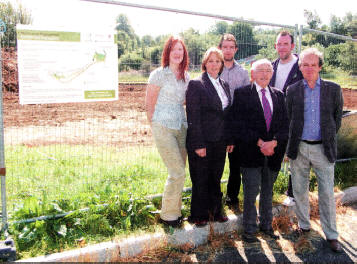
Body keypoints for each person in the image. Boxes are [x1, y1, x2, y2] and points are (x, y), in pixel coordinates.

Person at [286, 48, 343, 253]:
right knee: (300, 189)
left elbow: (336, 120)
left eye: (313, 64)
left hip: (323, 148)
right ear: (300, 67)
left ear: (320, 66)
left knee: (327, 193)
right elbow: (289, 118)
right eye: (305, 65)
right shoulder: (292, 90)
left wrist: (326, 137)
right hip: (299, 147)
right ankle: (304, 225)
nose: (309, 68)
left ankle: (331, 234)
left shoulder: (333, 89)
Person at [229, 59, 288, 243]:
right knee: (250, 191)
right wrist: (260, 142)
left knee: (268, 191)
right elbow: (239, 124)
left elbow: (285, 125)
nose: (264, 74)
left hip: (273, 154)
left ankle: (267, 226)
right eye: (260, 70)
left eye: (268, 70)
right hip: (250, 152)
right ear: (252, 73)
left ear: (272, 74)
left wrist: (274, 143)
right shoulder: (242, 94)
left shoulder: (279, 95)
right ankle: (249, 230)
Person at [186, 47, 234, 227]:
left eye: (218, 61)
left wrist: (229, 139)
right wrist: (198, 143)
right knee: (201, 177)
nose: (214, 65)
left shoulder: (224, 85)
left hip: (220, 140)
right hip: (202, 140)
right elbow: (193, 116)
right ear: (205, 63)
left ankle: (215, 210)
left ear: (222, 64)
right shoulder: (196, 84)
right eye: (211, 61)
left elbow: (227, 115)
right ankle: (199, 214)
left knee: (215, 176)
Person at [145, 36, 189, 227]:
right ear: (167, 53)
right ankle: (168, 217)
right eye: (174, 50)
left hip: (182, 127)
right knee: (177, 171)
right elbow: (149, 105)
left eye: (181, 50)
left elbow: (186, 101)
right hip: (163, 127)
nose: (178, 53)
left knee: (180, 171)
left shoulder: (186, 77)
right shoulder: (158, 75)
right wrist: (154, 127)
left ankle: (175, 211)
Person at [270, 30, 303, 207]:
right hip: (276, 119)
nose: (282, 47)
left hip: (295, 119)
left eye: (285, 44)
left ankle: (292, 193)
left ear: (292, 46)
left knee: (294, 156)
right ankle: (268, 191)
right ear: (275, 46)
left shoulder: (301, 66)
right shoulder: (272, 66)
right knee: (274, 154)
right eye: (279, 44)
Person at [218, 33, 250, 209]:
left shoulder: (242, 73)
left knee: (235, 163)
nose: (228, 50)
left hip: (236, 123)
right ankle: (214, 197)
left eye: (231, 47)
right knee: (215, 162)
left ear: (236, 49)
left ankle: (232, 196)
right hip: (217, 122)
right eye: (225, 47)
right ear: (220, 48)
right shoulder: (214, 68)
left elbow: (245, 99)